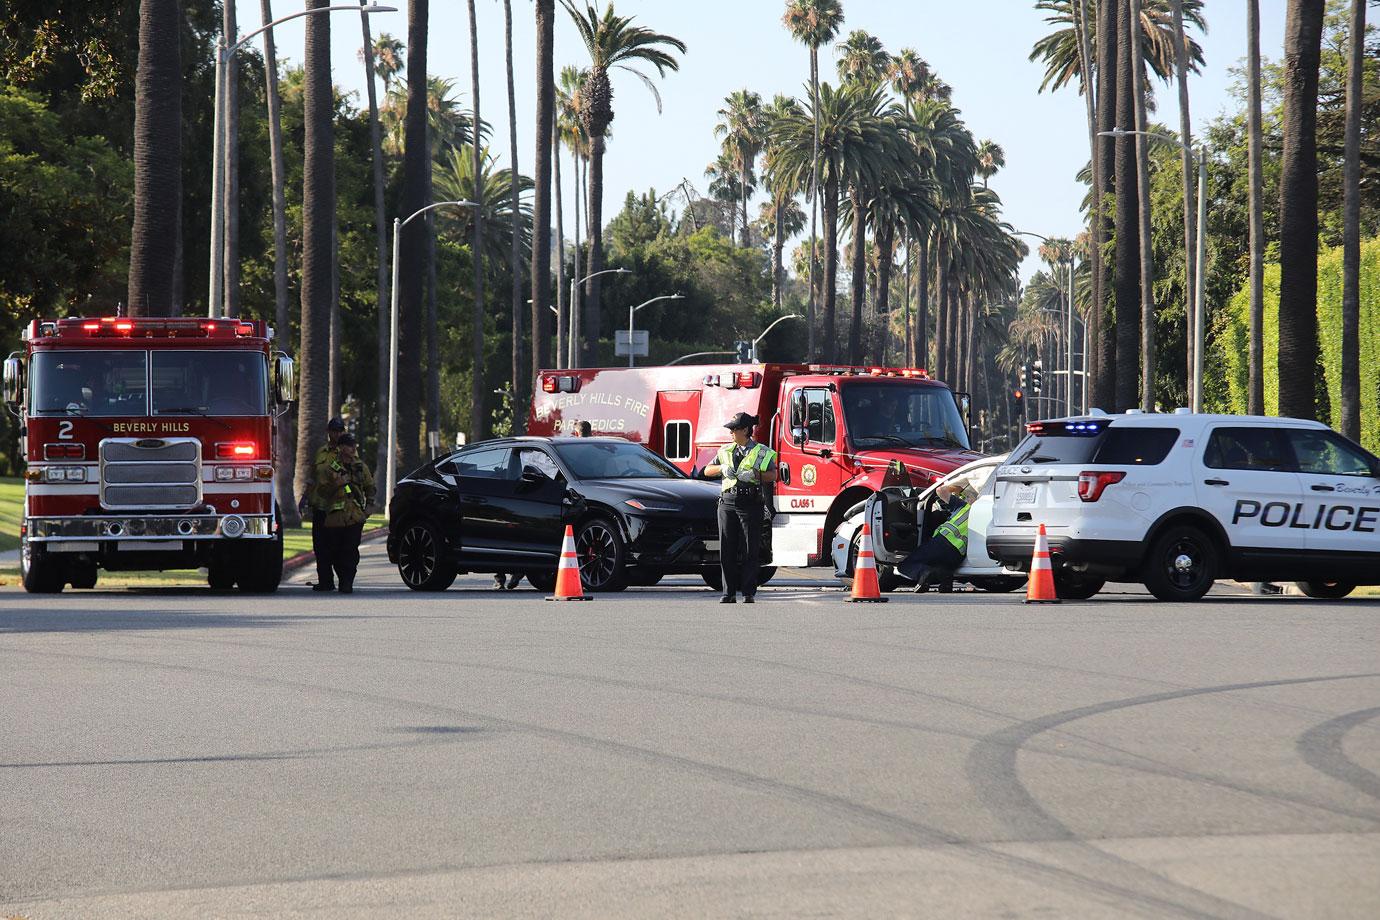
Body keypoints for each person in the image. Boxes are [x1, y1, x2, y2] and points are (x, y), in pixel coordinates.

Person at [704, 412, 777, 604]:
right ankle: (728, 593)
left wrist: (754, 474)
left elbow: (773, 475)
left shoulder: (762, 452)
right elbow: (706, 470)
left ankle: (748, 592)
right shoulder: (725, 450)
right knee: (726, 548)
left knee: (749, 549)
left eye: (734, 429)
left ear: (745, 430)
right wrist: (721, 469)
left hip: (750, 502)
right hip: (727, 502)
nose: (731, 433)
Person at [315, 433, 375, 594]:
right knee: (334, 551)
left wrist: (369, 506)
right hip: (335, 517)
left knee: (350, 550)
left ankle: (347, 582)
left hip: (355, 516)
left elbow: (370, 487)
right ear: (341, 447)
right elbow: (322, 491)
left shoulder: (361, 466)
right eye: (349, 445)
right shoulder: (331, 468)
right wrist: (337, 484)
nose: (353, 448)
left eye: (354, 445)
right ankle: (342, 577)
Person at [896, 480, 972, 592]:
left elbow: (940, 490)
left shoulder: (964, 507)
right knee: (941, 566)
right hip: (958, 554)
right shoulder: (986, 515)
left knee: (905, 565)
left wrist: (957, 489)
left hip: (943, 542)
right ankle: (945, 578)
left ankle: (925, 573)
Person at [304, 417, 346, 591]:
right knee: (320, 546)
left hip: (338, 508)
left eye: (339, 430)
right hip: (319, 505)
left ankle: (344, 582)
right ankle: (325, 581)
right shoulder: (321, 452)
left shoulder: (348, 451)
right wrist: (305, 497)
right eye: (333, 430)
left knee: (337, 546)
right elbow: (313, 477)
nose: (336, 434)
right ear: (328, 432)